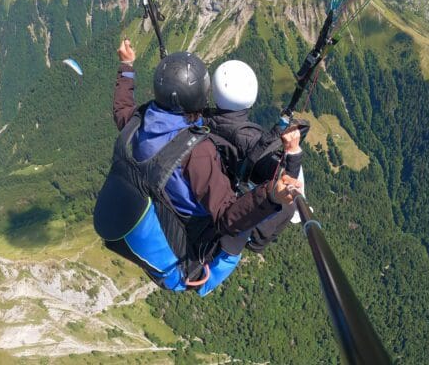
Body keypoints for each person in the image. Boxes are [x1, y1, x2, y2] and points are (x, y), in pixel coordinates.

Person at [94, 41, 301, 296]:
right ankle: (258, 238)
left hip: (157, 209)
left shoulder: (139, 122)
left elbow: (122, 110)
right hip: (196, 253)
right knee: (282, 206)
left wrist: (126, 66)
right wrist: (270, 196)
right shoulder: (197, 153)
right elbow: (228, 218)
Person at [205, 59, 308, 253]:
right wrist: (293, 152)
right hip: (234, 211)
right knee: (290, 207)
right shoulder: (249, 138)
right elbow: (286, 185)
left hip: (216, 187)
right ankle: (254, 237)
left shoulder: (203, 119)